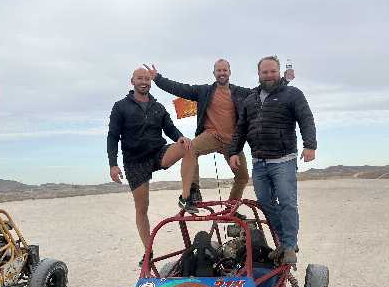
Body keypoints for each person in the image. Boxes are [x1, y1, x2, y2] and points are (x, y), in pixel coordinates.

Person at [143, 60, 294, 210]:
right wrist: (158, 78)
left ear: (229, 72)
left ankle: (231, 208)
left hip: (232, 143)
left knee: (242, 177)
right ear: (214, 73)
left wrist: (284, 81)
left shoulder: (239, 92)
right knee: (190, 148)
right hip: (211, 136)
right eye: (219, 70)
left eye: (225, 70)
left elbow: (262, 91)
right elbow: (180, 89)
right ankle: (191, 193)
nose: (222, 73)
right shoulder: (204, 91)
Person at [228, 56, 316, 264]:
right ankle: (285, 242)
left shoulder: (292, 94)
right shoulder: (251, 99)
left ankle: (289, 246)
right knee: (266, 203)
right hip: (259, 162)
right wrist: (234, 151)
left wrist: (310, 145)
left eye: (272, 71)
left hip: (283, 160)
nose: (269, 75)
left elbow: (306, 118)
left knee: (287, 202)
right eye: (265, 72)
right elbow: (242, 128)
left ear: (279, 72)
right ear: (259, 74)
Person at [106, 68, 196, 261]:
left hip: (157, 153)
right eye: (140, 78)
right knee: (142, 208)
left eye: (147, 79)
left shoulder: (158, 107)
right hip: (135, 161)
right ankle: (148, 251)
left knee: (188, 146)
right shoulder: (121, 106)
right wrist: (113, 164)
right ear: (132, 81)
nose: (144, 81)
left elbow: (170, 128)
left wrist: (180, 137)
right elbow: (113, 136)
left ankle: (186, 197)